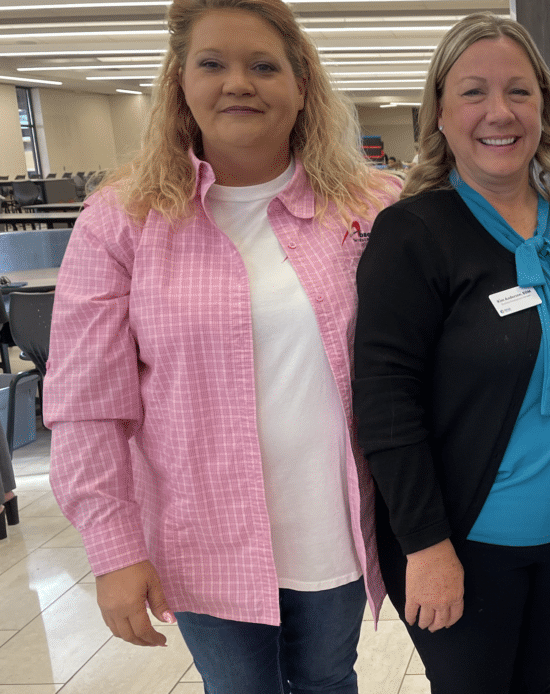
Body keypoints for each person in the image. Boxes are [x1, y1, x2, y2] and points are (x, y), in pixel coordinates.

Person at [45, 0, 401, 691]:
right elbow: (87, 404)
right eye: (212, 64)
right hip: (202, 536)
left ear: (302, 87)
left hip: (333, 523)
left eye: (263, 66)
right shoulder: (123, 220)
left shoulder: (370, 207)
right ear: (180, 82)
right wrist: (113, 549)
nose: (238, 83)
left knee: (329, 678)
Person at [352, 12, 550, 694]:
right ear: (440, 113)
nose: (499, 112)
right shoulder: (412, 233)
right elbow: (385, 402)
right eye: (474, 92)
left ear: (543, 108)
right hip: (468, 542)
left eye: (518, 91)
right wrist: (425, 544)